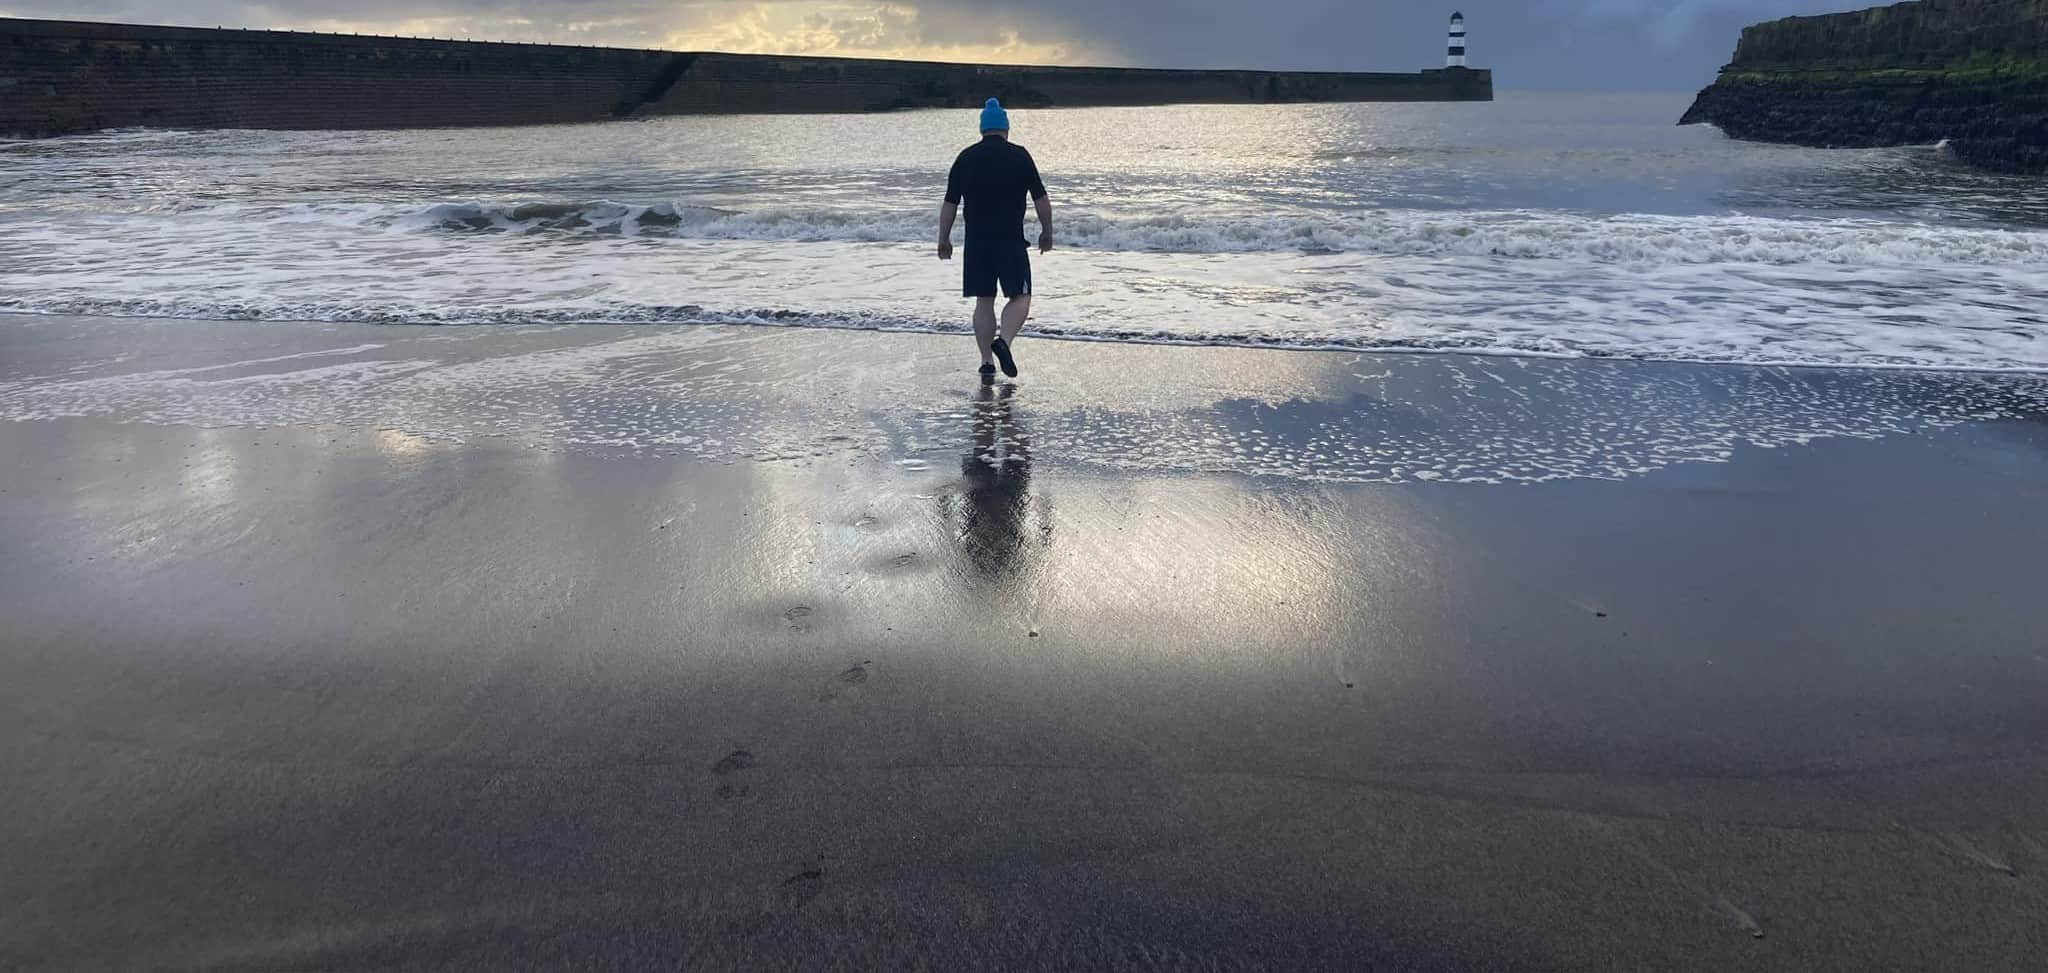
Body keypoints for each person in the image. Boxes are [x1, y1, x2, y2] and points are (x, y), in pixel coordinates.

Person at [938, 97, 1053, 379]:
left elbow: (950, 203)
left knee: (984, 301)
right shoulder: (1020, 155)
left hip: (977, 242)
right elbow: (1041, 198)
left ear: (982, 129)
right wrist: (1047, 231)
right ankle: (1004, 342)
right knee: (1021, 297)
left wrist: (944, 238)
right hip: (1010, 241)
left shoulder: (965, 157)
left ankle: (987, 361)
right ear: (1005, 129)